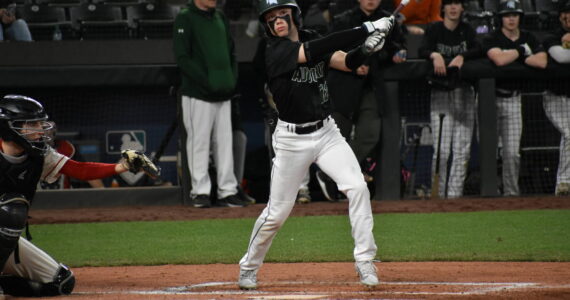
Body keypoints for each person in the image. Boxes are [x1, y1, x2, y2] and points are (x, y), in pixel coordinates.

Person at [238, 0, 394, 290]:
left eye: (282, 13)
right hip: (290, 140)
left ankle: (364, 261)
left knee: (357, 187)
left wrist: (366, 50)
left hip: (326, 133)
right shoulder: (276, 51)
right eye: (270, 18)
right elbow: (316, 51)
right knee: (277, 213)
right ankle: (248, 266)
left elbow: (346, 62)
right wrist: (367, 28)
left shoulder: (311, 38)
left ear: (294, 14)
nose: (277, 20)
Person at [0, 94, 158, 297]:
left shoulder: (39, 156)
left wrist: (122, 166)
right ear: (9, 128)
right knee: (11, 210)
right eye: (33, 124)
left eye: (40, 122)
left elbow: (80, 169)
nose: (40, 129)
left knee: (60, 283)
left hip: (5, 235)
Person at [319, 0, 407, 201]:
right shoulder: (343, 20)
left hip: (371, 87)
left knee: (369, 135)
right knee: (335, 139)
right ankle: (336, 178)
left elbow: (399, 46)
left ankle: (331, 175)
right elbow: (328, 50)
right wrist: (351, 63)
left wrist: (398, 53)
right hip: (343, 87)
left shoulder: (389, 20)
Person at [173, 0, 248, 208]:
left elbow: (232, 53)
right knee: (199, 143)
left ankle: (227, 191)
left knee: (225, 144)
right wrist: (207, 82)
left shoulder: (220, 17)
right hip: (197, 94)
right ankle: (200, 192)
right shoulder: (185, 18)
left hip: (223, 93)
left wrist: (230, 80)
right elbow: (183, 58)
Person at [482, 0, 547, 196]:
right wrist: (521, 51)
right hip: (489, 102)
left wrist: (517, 56)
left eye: (515, 15)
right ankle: (491, 191)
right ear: (501, 18)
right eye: (507, 15)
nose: (511, 19)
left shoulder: (529, 37)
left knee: (512, 153)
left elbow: (542, 62)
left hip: (513, 100)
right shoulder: (492, 37)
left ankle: (511, 193)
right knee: (489, 152)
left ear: (520, 17)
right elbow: (499, 60)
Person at [418, 0, 481, 198]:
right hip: (440, 94)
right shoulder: (435, 29)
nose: (453, 8)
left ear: (462, 8)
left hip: (464, 93)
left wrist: (463, 56)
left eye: (457, 4)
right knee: (442, 150)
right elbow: (422, 49)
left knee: (462, 149)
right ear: (443, 8)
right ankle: (439, 194)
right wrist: (434, 54)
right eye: (449, 4)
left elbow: (480, 48)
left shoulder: (467, 30)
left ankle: (454, 196)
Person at [542, 0, 570, 196]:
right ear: (560, 16)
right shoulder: (552, 36)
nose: (568, 17)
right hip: (555, 97)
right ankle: (563, 182)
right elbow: (561, 57)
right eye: (565, 13)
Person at [39, 121, 104, 189]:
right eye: (43, 127)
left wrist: (102, 192)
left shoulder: (67, 148)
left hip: (63, 194)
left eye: (47, 128)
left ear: (55, 130)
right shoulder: (29, 150)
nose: (44, 131)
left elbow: (86, 170)